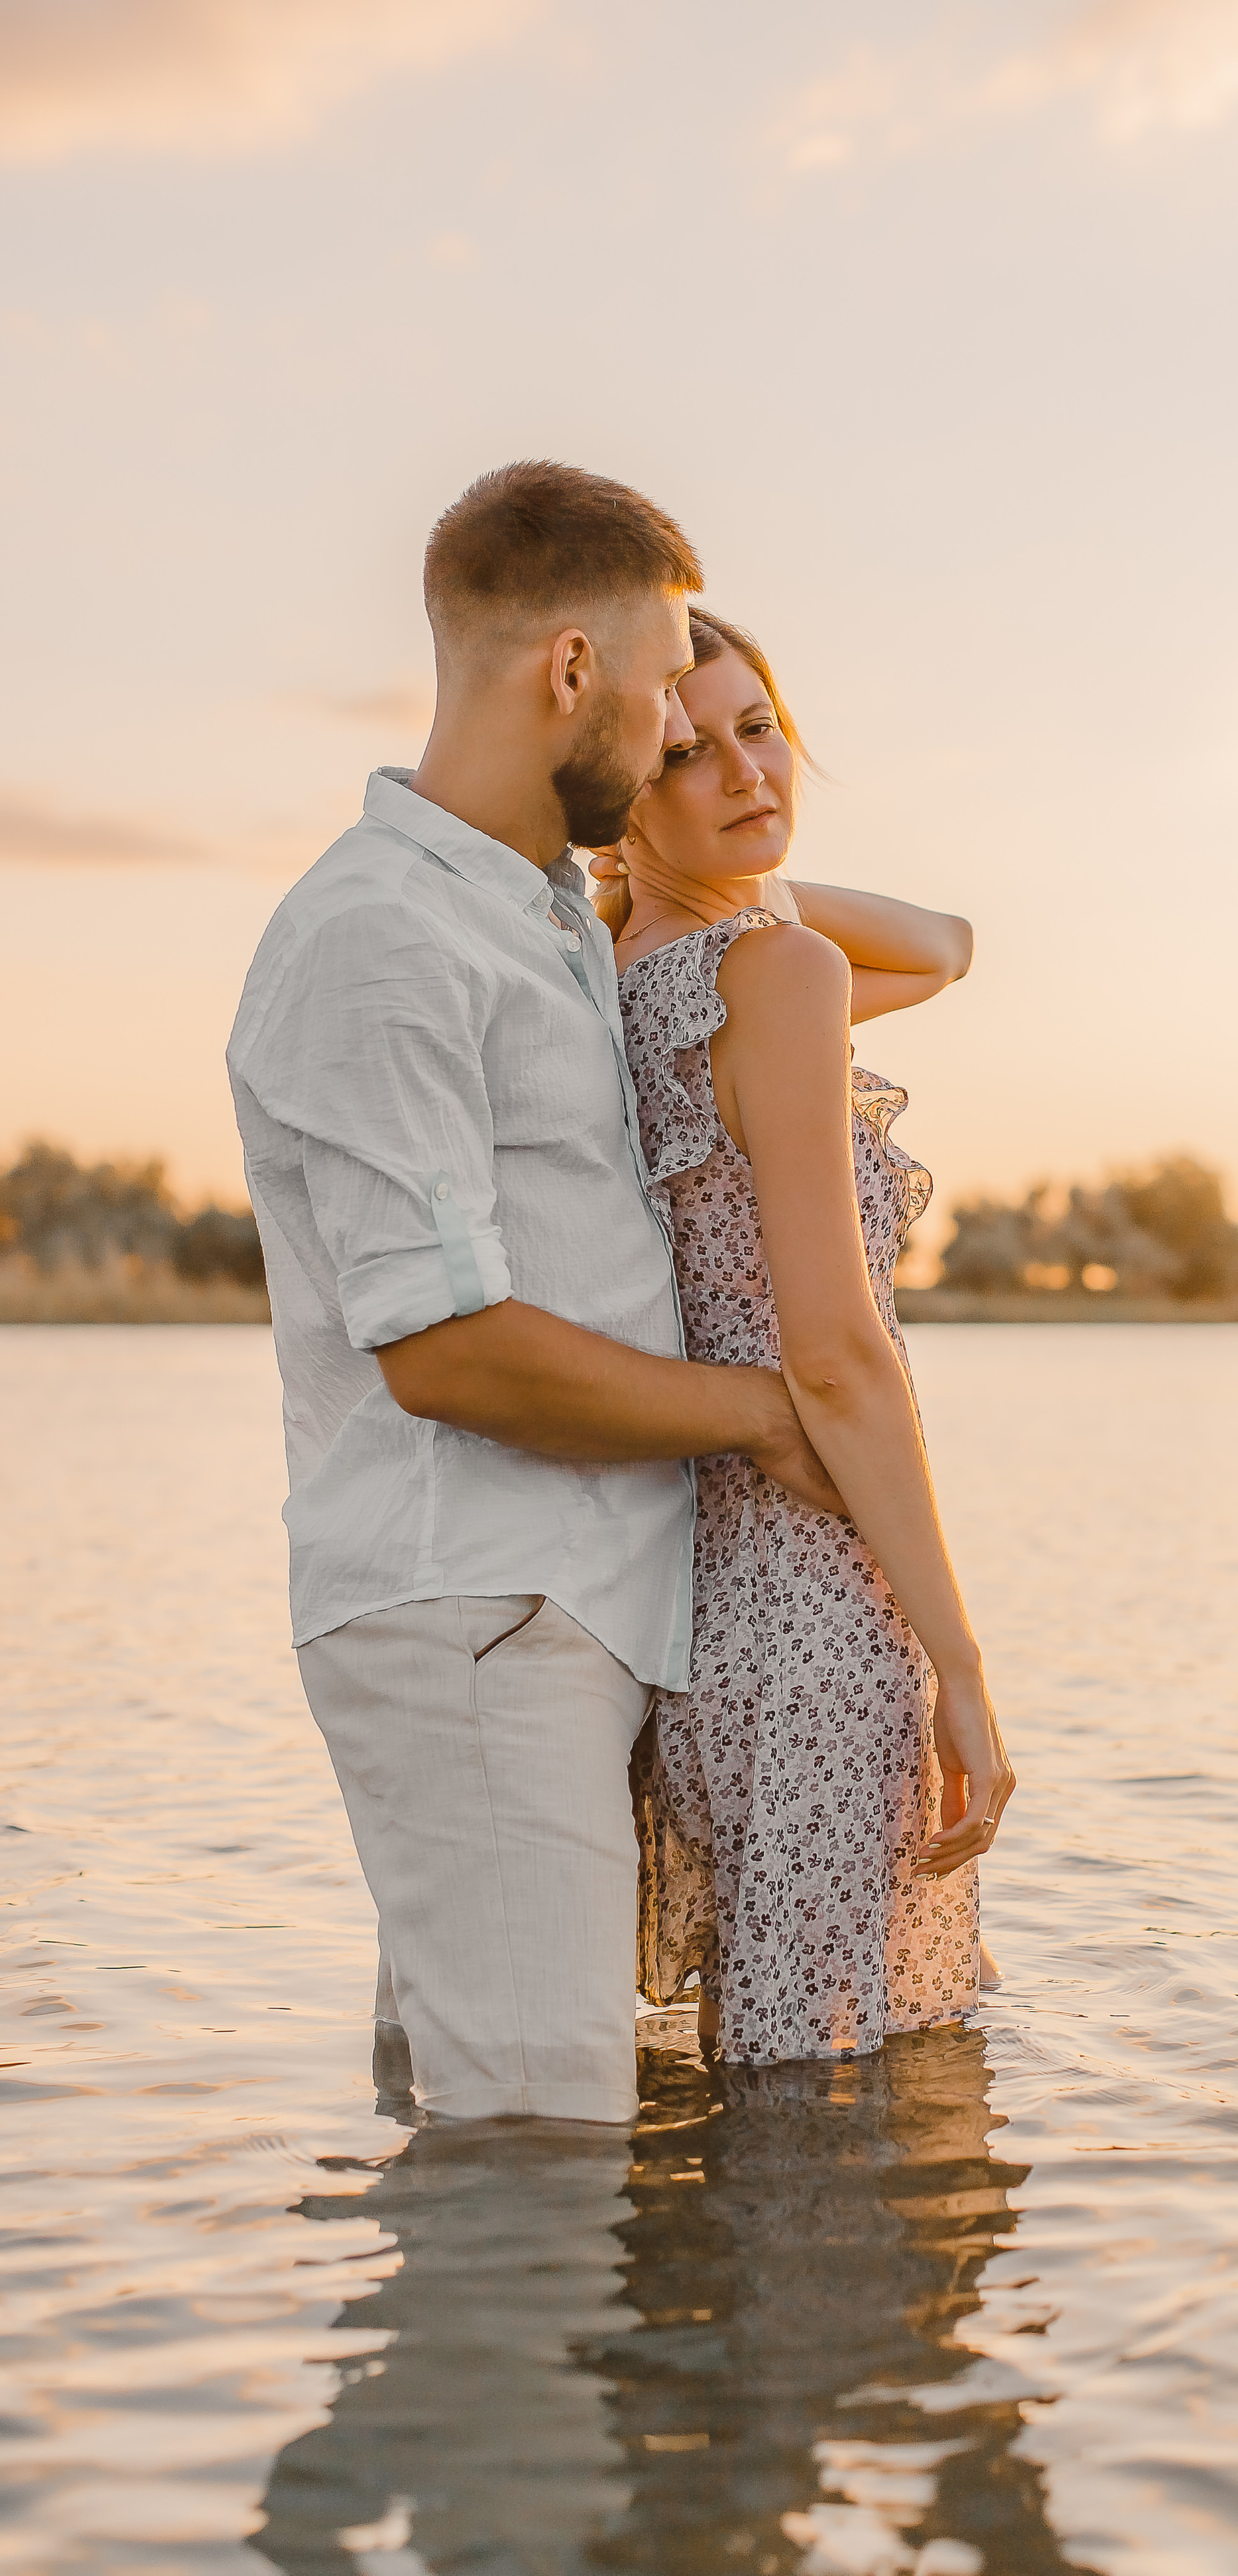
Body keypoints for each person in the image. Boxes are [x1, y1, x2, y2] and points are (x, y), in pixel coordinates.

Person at [225, 460, 956, 2129]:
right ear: (571, 673)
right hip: (475, 1615)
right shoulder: (384, 937)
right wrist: (771, 1413)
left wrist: (732, 913)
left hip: (572, 1612)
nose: (671, 745)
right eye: (656, 699)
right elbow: (445, 1348)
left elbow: (902, 942)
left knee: (490, 2139)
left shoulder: (545, 912)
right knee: (536, 2159)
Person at [602, 610, 1015, 2063]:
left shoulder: (615, 986)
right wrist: (957, 1663)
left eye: (757, 727)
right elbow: (835, 1359)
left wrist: (709, 868)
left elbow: (942, 953)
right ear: (613, 787)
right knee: (827, 2088)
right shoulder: (774, 978)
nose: (741, 771)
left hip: (681, 1608)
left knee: (761, 2063)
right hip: (820, 1599)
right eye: (680, 751)